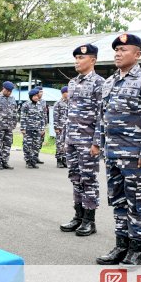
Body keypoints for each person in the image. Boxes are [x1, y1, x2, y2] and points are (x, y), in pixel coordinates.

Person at [95, 34, 141, 267]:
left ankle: (136, 250)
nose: (118, 53)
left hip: (134, 154)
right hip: (113, 153)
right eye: (116, 49)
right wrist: (99, 143)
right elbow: (102, 117)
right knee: (118, 201)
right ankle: (121, 245)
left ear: (137, 54)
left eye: (124, 49)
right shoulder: (109, 81)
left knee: (137, 202)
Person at [59, 43, 104, 237]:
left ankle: (89, 220)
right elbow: (70, 112)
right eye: (76, 58)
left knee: (89, 179)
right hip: (72, 139)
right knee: (75, 177)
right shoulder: (72, 83)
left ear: (92, 60)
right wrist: (64, 138)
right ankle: (78, 216)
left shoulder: (99, 83)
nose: (77, 61)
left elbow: (102, 115)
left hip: (88, 140)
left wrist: (96, 142)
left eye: (81, 58)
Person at [0, 81, 17, 170]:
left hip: (9, 126)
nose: (9, 93)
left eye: (11, 91)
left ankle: (5, 161)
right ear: (4, 89)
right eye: (8, 91)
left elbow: (15, 112)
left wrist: (14, 123)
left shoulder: (12, 98)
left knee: (8, 144)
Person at [20, 88, 45, 168]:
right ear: (31, 96)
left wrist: (42, 128)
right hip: (28, 129)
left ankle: (33, 161)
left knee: (36, 146)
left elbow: (42, 118)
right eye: (34, 96)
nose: (36, 97)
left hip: (37, 129)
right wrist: (23, 128)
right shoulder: (26, 105)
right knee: (27, 145)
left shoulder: (40, 105)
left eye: (37, 96)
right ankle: (28, 161)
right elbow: (23, 117)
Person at [53, 86, 69, 168]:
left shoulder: (71, 103)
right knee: (59, 144)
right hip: (60, 127)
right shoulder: (58, 103)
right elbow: (55, 116)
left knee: (67, 144)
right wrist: (56, 127)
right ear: (63, 93)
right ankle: (59, 160)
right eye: (67, 92)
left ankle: (65, 159)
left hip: (69, 127)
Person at [36, 87, 48, 164]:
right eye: (40, 92)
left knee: (40, 141)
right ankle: (31, 157)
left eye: (42, 92)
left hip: (42, 124)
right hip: (34, 125)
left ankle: (36, 156)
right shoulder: (32, 101)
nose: (41, 93)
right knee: (33, 142)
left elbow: (44, 114)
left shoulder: (43, 102)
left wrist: (45, 124)